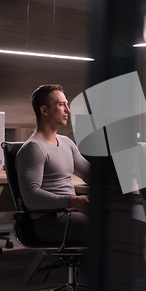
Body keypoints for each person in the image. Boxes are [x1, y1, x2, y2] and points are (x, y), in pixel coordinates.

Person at [16, 84, 90, 243]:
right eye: (62, 104)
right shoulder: (33, 148)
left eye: (67, 104)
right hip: (49, 221)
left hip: (71, 213)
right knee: (113, 226)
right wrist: (72, 200)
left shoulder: (66, 143)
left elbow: (90, 174)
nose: (68, 110)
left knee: (125, 220)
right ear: (44, 110)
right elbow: (30, 196)